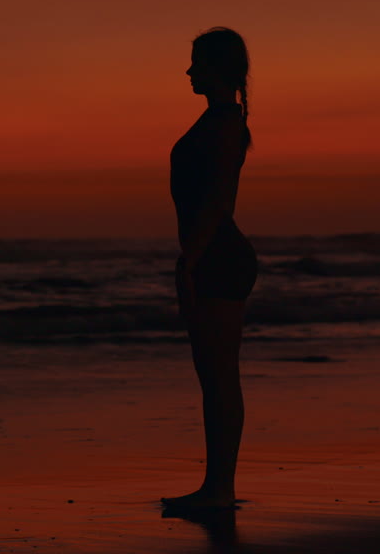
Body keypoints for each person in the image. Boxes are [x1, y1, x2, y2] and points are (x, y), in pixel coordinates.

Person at [161, 27, 259, 509]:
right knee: (215, 377)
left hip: (217, 257)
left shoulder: (224, 124)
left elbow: (217, 201)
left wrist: (190, 262)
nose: (189, 71)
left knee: (219, 378)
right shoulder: (219, 119)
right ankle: (216, 486)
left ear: (217, 67)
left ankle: (219, 489)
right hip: (215, 254)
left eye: (196, 63)